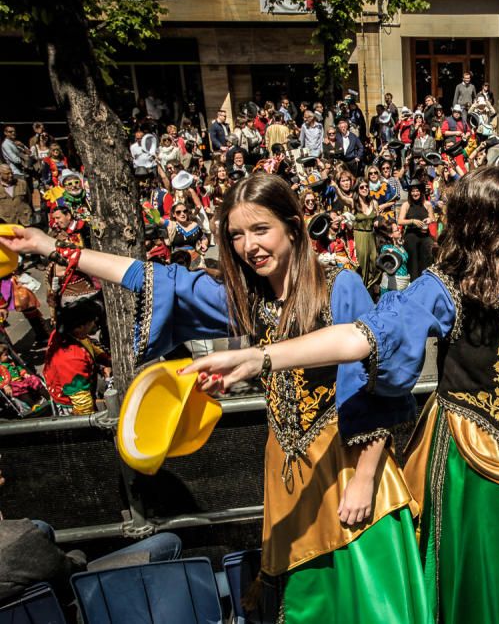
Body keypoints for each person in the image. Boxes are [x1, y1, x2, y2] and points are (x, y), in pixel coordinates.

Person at [0, 174, 428, 624]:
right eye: (237, 235)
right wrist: (55, 248)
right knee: (307, 602)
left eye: (260, 229)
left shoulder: (338, 284)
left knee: (364, 599)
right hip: (288, 468)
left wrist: (363, 479)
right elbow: (160, 280)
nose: (249, 246)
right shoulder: (250, 294)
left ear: (293, 226)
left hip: (348, 465)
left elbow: (374, 382)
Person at [182, 166, 499, 624]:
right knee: (481, 590)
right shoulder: (442, 286)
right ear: (485, 225)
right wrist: (262, 358)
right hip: (468, 461)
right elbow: (362, 337)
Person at [42, 298, 111, 416]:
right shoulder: (72, 359)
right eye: (91, 322)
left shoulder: (69, 334)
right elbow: (82, 403)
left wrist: (107, 360)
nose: (94, 323)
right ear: (79, 327)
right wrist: (91, 420)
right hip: (73, 405)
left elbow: (90, 346)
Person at [397, 178, 435, 280]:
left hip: (424, 234)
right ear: (410, 193)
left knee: (429, 246)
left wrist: (429, 219)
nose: (415, 193)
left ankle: (426, 278)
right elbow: (400, 221)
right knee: (411, 244)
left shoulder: (427, 204)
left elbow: (433, 218)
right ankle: (413, 278)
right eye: (413, 191)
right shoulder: (406, 205)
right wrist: (412, 221)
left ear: (421, 192)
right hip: (411, 233)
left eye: (417, 190)